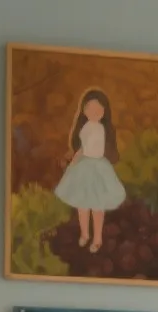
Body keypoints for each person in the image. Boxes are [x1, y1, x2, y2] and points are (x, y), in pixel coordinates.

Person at [52, 89, 126, 255]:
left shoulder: (102, 129)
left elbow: (96, 149)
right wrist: (74, 162)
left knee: (97, 206)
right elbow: (82, 148)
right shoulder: (84, 127)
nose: (94, 112)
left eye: (98, 109)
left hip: (98, 168)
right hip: (84, 167)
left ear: (104, 111)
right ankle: (85, 233)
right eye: (89, 109)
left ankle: (97, 238)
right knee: (82, 204)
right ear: (83, 110)